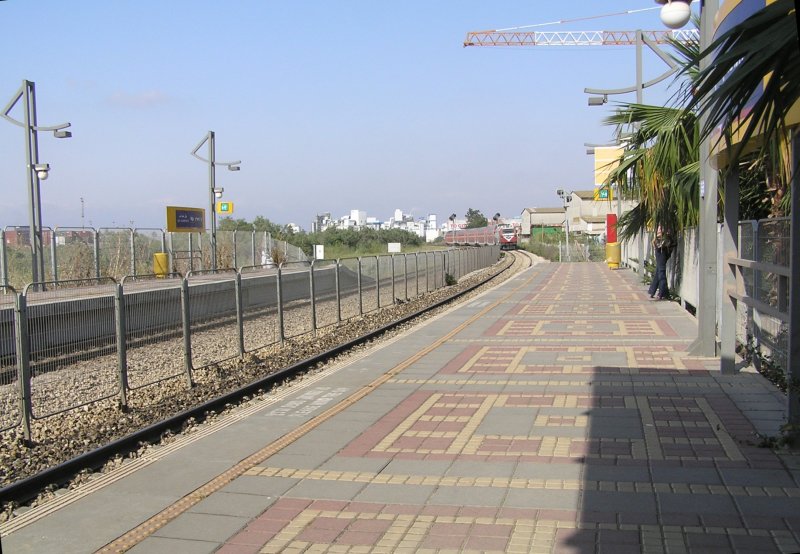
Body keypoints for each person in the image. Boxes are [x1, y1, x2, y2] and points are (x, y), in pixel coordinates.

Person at [648, 226, 674, 300]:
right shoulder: (662, 223)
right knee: (659, 270)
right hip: (662, 248)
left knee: (661, 271)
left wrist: (656, 238)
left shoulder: (664, 223)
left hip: (662, 248)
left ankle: (662, 293)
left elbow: (662, 234)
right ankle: (654, 291)